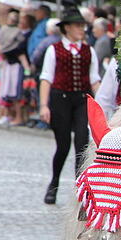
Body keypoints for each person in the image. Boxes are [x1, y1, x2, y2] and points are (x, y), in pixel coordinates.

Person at [38, 11, 100, 204]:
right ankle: (54, 182)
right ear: (67, 28)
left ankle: (80, 191)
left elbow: (94, 80)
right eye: (78, 26)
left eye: (83, 25)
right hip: (60, 99)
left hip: (81, 100)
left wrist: (101, 106)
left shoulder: (89, 50)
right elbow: (46, 78)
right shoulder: (54, 49)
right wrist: (43, 105)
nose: (82, 29)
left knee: (82, 143)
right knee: (63, 145)